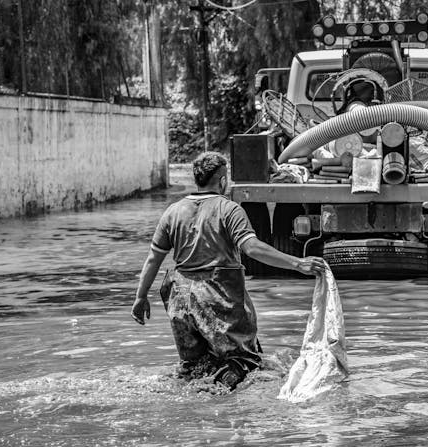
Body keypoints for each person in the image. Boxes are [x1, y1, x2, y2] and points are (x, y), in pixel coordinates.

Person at [131, 152, 326, 390]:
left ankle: (193, 404)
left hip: (180, 301)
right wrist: (298, 263)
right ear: (222, 180)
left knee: (194, 368)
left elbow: (153, 259)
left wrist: (140, 297)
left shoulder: (173, 212)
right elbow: (252, 248)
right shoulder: (229, 209)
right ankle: (224, 405)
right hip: (217, 298)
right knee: (243, 365)